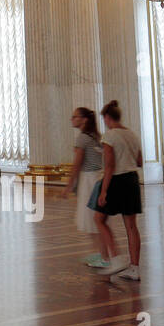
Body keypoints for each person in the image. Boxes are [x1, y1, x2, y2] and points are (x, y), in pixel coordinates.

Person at [93, 100, 143, 280]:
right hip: (132, 179)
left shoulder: (109, 136)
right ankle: (134, 268)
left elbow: (109, 166)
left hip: (116, 180)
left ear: (107, 117)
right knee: (131, 226)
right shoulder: (133, 135)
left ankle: (115, 258)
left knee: (99, 219)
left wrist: (104, 191)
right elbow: (139, 162)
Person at [64, 107, 106, 267]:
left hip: (89, 180)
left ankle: (102, 256)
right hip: (97, 177)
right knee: (94, 220)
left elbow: (77, 164)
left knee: (92, 219)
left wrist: (69, 185)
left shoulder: (82, 138)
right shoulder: (96, 136)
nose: (72, 119)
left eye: (75, 117)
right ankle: (99, 254)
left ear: (84, 119)